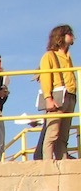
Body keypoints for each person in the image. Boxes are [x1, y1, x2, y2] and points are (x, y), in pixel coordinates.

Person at [38, 24, 77, 161]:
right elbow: (45, 77)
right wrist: (48, 98)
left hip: (71, 97)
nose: (73, 37)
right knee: (52, 134)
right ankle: (48, 163)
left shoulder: (67, 57)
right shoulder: (49, 56)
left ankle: (62, 161)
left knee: (63, 136)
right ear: (62, 36)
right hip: (57, 98)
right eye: (70, 34)